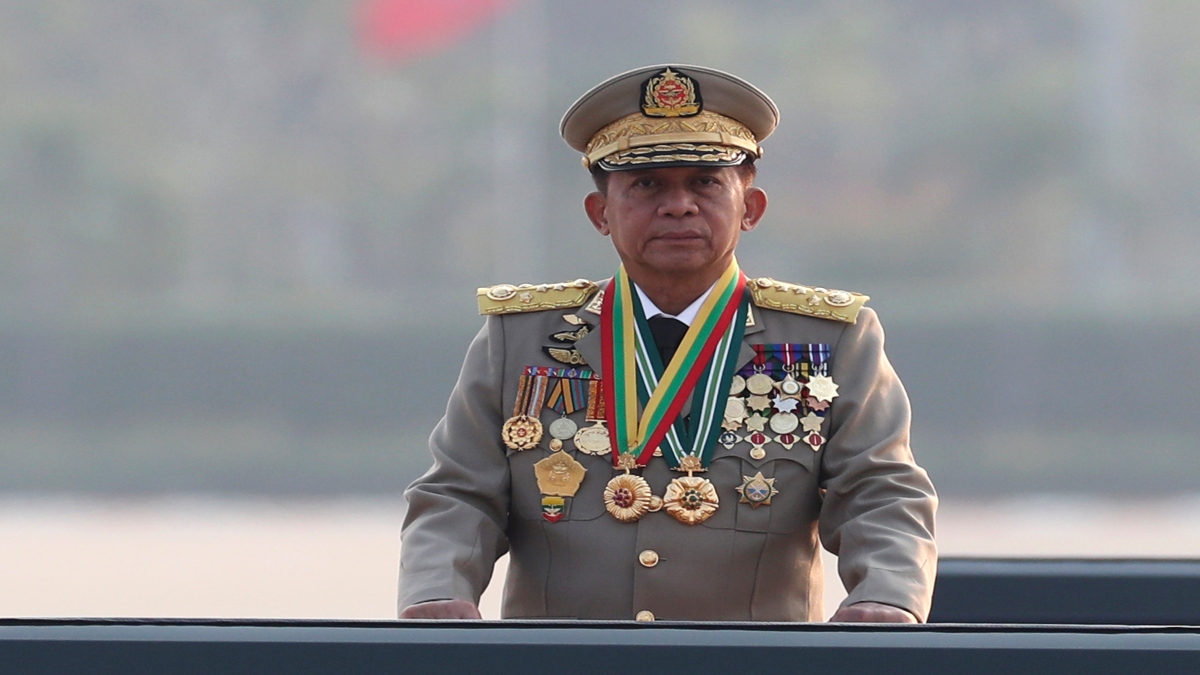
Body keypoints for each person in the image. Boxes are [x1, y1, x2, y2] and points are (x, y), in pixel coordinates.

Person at [398, 65, 937, 622]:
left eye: (704, 182)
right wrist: (437, 592)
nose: (678, 205)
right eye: (647, 184)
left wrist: (885, 598)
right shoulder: (522, 338)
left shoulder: (828, 340)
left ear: (750, 208)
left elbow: (881, 493)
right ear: (599, 213)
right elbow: (458, 496)